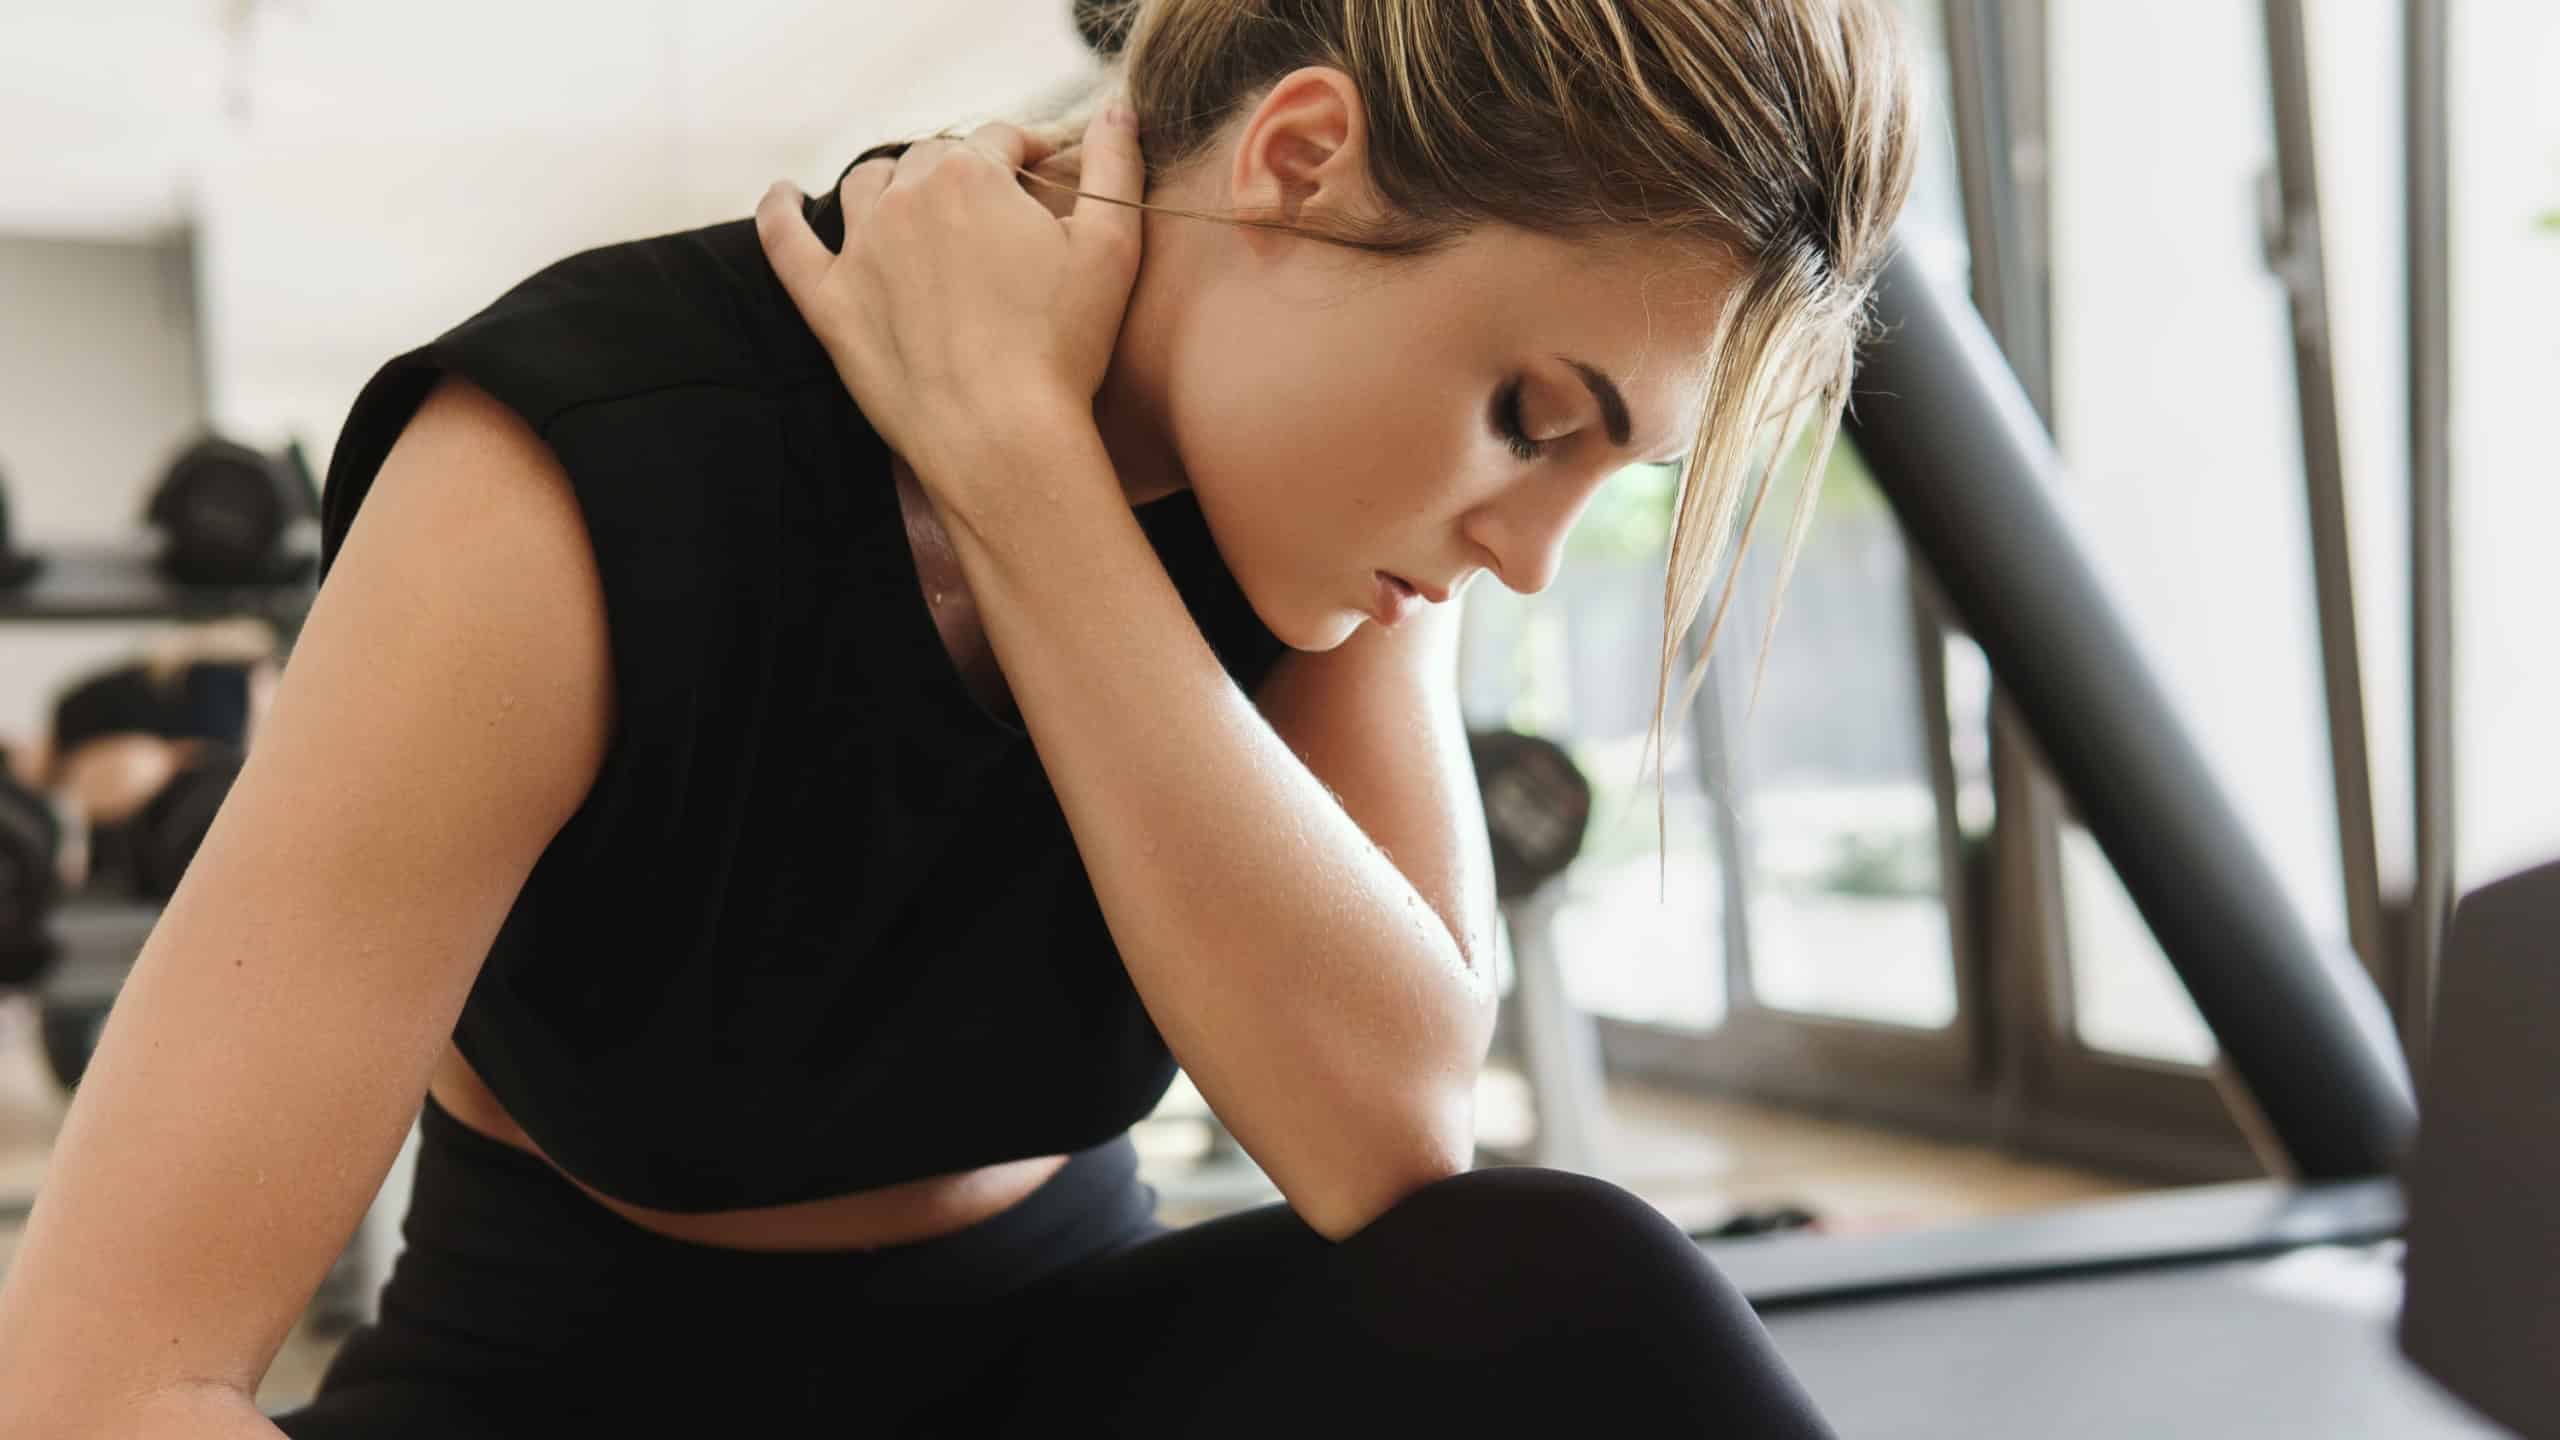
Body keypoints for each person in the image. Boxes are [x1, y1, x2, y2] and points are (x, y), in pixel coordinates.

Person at [0, 1, 1914, 1433]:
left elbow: (1394, 1129)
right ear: (1301, 159)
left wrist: (1014, 460)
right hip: (572, 1403)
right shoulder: (580, 470)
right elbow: (99, 1375)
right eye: (1531, 420)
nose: (1523, 553)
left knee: (1581, 1295)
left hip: (1070, 1375)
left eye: (1601, 472)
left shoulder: (1318, 537)